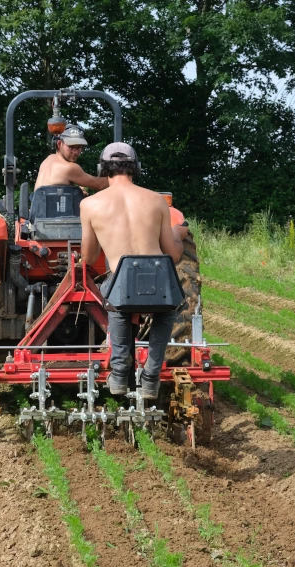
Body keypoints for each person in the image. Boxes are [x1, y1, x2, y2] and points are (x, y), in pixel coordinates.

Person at [79, 142, 190, 400]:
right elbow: (173, 254)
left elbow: (89, 257)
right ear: (135, 168)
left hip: (123, 285)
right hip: (159, 282)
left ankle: (119, 374)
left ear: (102, 169)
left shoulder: (90, 204)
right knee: (167, 309)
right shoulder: (156, 200)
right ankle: (151, 377)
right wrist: (176, 233)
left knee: (115, 299)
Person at [33, 124, 110, 192]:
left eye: (79, 147)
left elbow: (49, 195)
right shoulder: (69, 168)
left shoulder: (48, 160)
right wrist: (116, 175)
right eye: (71, 147)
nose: (75, 152)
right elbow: (100, 184)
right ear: (59, 144)